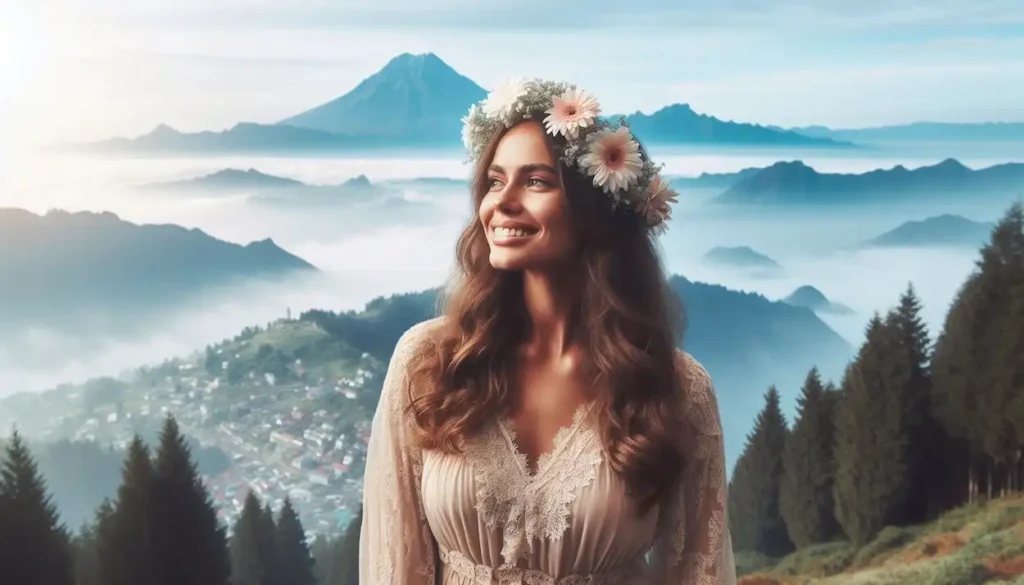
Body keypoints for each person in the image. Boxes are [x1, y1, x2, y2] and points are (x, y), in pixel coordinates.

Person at [360, 78, 736, 585]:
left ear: (596, 211)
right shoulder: (429, 363)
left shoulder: (677, 390)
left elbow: (699, 573)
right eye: (495, 181)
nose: (502, 203)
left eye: (535, 181)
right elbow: (394, 564)